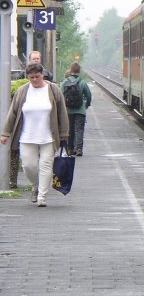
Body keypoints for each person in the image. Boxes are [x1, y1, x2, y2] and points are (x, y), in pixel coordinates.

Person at [1, 63, 69, 207]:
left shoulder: (53, 90)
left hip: (48, 136)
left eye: (37, 77)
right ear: (27, 77)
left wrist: (64, 132)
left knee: (45, 165)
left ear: (42, 75)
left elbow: (62, 112)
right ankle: (35, 185)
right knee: (28, 166)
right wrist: (6, 133)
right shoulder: (22, 91)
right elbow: (12, 113)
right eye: (31, 77)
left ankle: (42, 196)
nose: (34, 80)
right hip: (27, 136)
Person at [61, 62, 92, 156]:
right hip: (80, 110)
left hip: (68, 110)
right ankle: (78, 149)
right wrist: (86, 105)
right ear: (79, 71)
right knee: (79, 130)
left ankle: (70, 149)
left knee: (70, 130)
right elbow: (89, 95)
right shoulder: (82, 82)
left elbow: (60, 96)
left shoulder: (64, 82)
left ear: (71, 70)